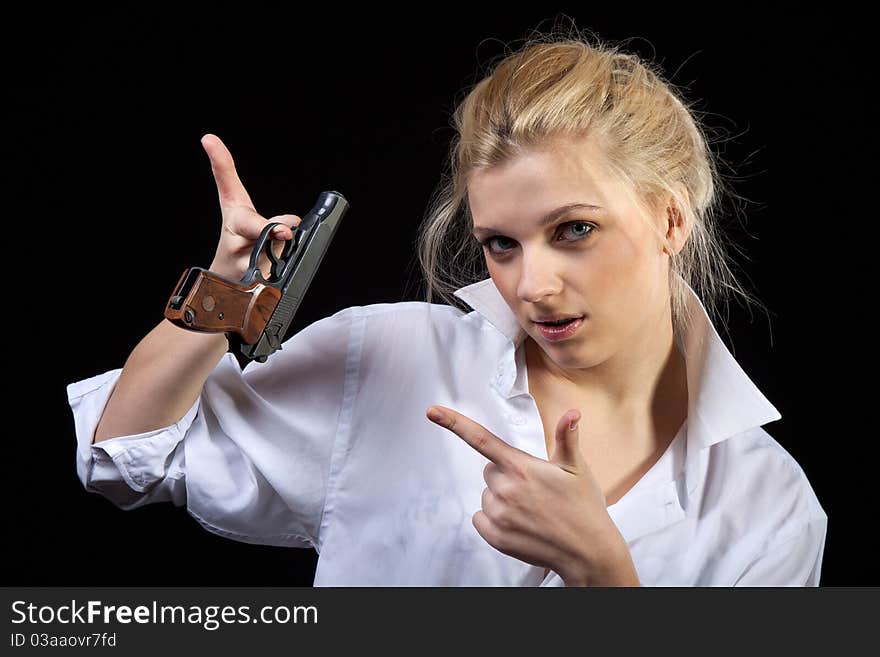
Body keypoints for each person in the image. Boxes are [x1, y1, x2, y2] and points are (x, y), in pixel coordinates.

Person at [67, 29, 827, 586]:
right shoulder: (394, 359)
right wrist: (223, 299)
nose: (533, 286)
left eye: (574, 230)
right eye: (501, 244)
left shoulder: (770, 505)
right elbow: (128, 455)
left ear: (669, 219)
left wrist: (603, 576)